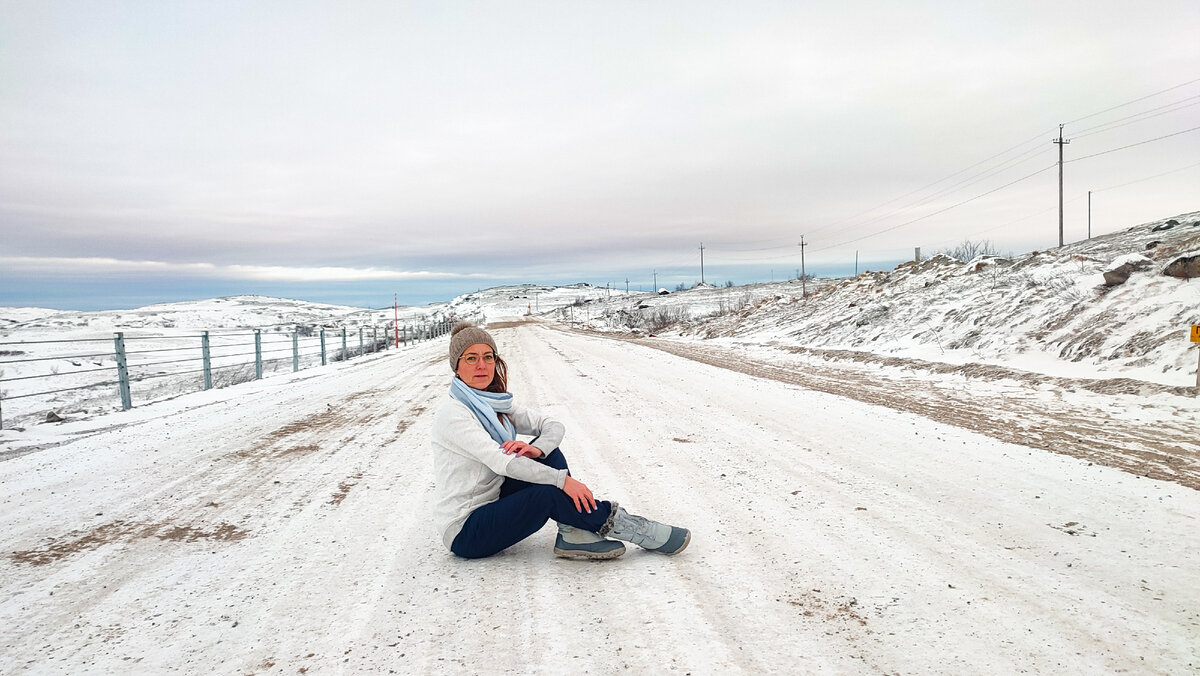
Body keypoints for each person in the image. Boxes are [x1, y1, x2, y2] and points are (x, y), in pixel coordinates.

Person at [430, 321, 690, 560]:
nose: (482, 366)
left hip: (494, 500)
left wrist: (536, 449)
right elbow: (502, 463)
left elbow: (552, 426)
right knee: (547, 493)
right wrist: (563, 481)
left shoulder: (494, 404)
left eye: (488, 357)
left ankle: (573, 532)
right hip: (466, 529)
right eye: (471, 358)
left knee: (549, 455)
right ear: (457, 365)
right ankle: (634, 528)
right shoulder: (454, 413)